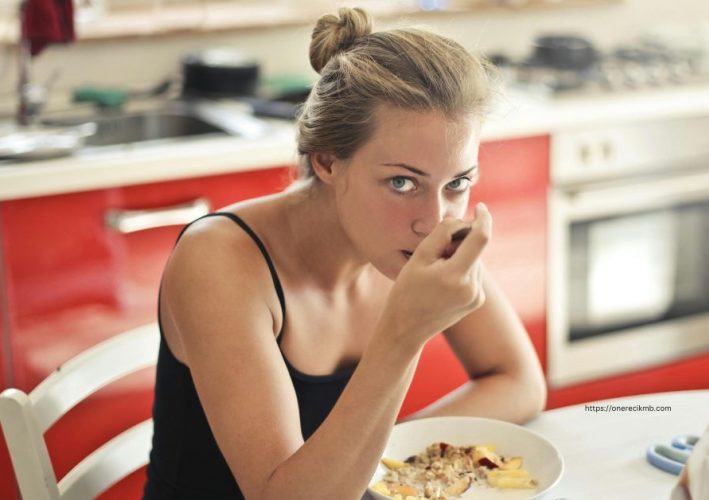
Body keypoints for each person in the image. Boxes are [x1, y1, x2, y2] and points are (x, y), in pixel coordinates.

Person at [142, 7, 546, 499]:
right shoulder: (220, 262)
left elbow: (520, 382)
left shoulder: (417, 235)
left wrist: (384, 460)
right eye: (402, 182)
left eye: (457, 182)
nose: (435, 219)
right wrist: (404, 334)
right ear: (329, 162)